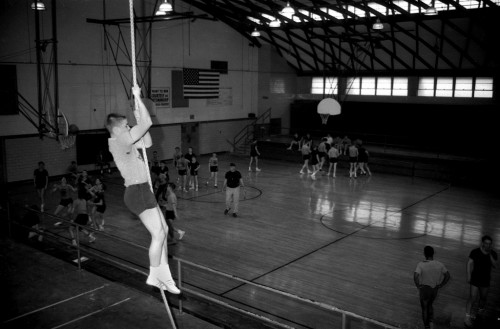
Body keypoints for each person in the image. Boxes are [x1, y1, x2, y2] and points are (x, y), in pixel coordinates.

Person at [106, 84, 180, 294]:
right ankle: (154, 275)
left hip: (142, 190)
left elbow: (147, 141)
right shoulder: (119, 140)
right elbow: (147, 123)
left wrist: (138, 118)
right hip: (136, 191)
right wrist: (138, 98)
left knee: (164, 230)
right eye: (125, 124)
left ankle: (164, 277)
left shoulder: (125, 141)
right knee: (158, 234)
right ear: (117, 127)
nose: (128, 126)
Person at [414, 246, 450, 329]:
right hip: (434, 290)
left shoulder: (421, 264)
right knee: (430, 304)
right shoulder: (439, 264)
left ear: (424, 254)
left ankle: (427, 326)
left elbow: (416, 276)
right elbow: (447, 275)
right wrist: (441, 285)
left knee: (424, 308)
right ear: (433, 253)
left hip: (425, 290)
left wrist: (418, 285)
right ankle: (431, 321)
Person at [465, 235, 497, 327]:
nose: (488, 245)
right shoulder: (475, 252)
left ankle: (480, 311)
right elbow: (469, 263)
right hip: (475, 279)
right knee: (472, 297)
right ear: (482, 243)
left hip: (485, 280)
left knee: (483, 298)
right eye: (486, 243)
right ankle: (467, 317)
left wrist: (490, 254)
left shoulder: (493, 253)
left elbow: (495, 265)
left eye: (489, 244)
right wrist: (468, 275)